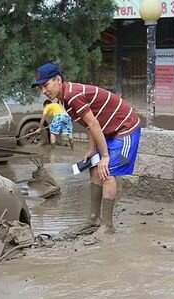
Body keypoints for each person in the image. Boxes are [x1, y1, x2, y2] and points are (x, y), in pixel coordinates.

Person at [32, 62, 141, 234]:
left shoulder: (73, 96)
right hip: (108, 131)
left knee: (108, 171)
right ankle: (93, 218)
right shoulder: (65, 98)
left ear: (58, 80)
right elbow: (90, 124)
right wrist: (92, 150)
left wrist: (104, 156)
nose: (44, 91)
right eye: (40, 88)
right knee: (93, 168)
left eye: (46, 85)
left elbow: (93, 123)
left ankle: (107, 225)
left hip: (125, 129)